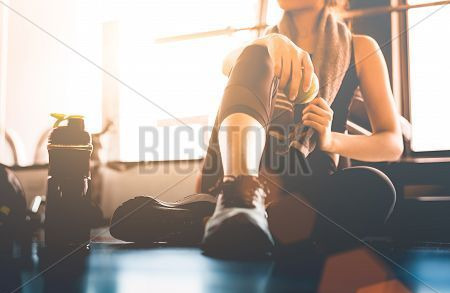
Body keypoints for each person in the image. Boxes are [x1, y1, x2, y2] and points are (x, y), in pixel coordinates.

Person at [110, 0, 403, 258]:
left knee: (376, 188)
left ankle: (215, 221)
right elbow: (228, 66)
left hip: (305, 183)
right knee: (255, 52)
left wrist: (330, 140)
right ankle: (242, 201)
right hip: (237, 173)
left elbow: (391, 142)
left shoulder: (360, 46)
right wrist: (268, 45)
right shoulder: (257, 48)